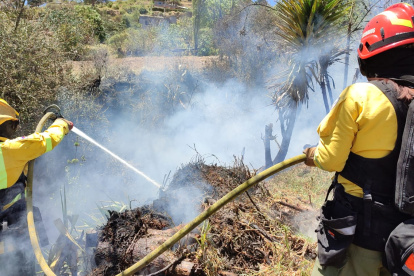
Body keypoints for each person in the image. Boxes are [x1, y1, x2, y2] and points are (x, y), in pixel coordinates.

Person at [303, 3, 414, 276]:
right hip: (402, 241)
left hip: (359, 235)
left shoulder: (361, 96)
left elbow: (331, 159)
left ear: (370, 54)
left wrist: (312, 154)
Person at [0, 98, 73, 275]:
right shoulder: (9, 149)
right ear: (6, 124)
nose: (14, 131)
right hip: (11, 230)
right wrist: (61, 124)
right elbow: (46, 139)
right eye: (14, 125)